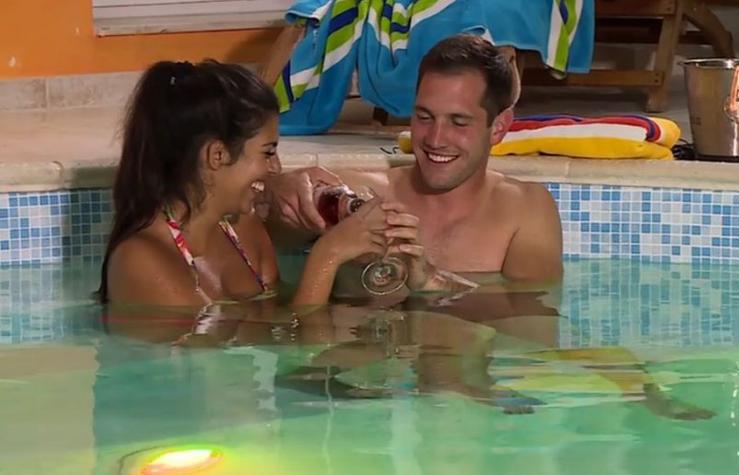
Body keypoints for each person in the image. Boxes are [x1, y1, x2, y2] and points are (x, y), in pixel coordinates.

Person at [98, 60, 416, 311]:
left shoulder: (243, 230)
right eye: (268, 152)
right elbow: (217, 365)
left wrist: (352, 260)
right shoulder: (141, 261)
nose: (275, 168)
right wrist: (328, 256)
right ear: (217, 155)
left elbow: (284, 323)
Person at [263, 34, 563, 299]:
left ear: (498, 127)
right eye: (424, 117)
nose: (435, 139)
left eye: (458, 122)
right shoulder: (355, 196)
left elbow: (526, 325)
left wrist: (433, 281)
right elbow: (265, 234)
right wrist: (274, 191)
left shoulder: (524, 211)